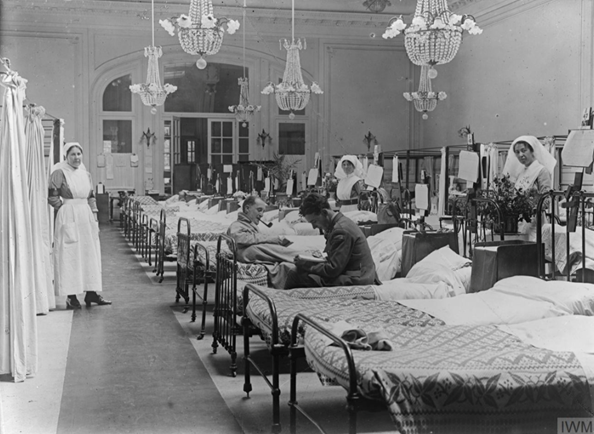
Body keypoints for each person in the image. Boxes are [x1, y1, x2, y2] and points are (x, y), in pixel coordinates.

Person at [272, 193, 381, 289]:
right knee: (296, 270)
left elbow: (332, 269)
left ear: (324, 213)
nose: (314, 227)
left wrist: (306, 265)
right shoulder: (339, 224)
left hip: (357, 278)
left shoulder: (341, 231)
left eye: (314, 221)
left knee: (295, 274)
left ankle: (287, 303)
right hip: (355, 273)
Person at [49, 142, 111, 309]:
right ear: (66, 156)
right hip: (69, 215)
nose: (76, 157)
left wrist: (94, 215)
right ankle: (71, 296)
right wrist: (63, 209)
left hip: (86, 216)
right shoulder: (59, 172)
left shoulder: (86, 174)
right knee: (71, 255)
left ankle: (91, 293)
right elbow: (52, 195)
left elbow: (91, 196)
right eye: (73, 154)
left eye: (79, 154)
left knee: (89, 254)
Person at [502, 135, 556, 239]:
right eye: (517, 152)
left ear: (532, 151)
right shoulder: (521, 172)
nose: (520, 155)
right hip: (520, 221)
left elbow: (547, 199)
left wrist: (532, 203)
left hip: (535, 222)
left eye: (523, 150)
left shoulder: (541, 171)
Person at [226, 195, 293, 263]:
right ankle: (297, 256)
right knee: (264, 249)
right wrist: (271, 239)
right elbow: (239, 239)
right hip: (247, 253)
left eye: (263, 211)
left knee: (275, 250)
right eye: (259, 210)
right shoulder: (237, 224)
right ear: (247, 208)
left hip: (250, 254)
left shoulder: (249, 225)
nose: (262, 215)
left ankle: (297, 256)